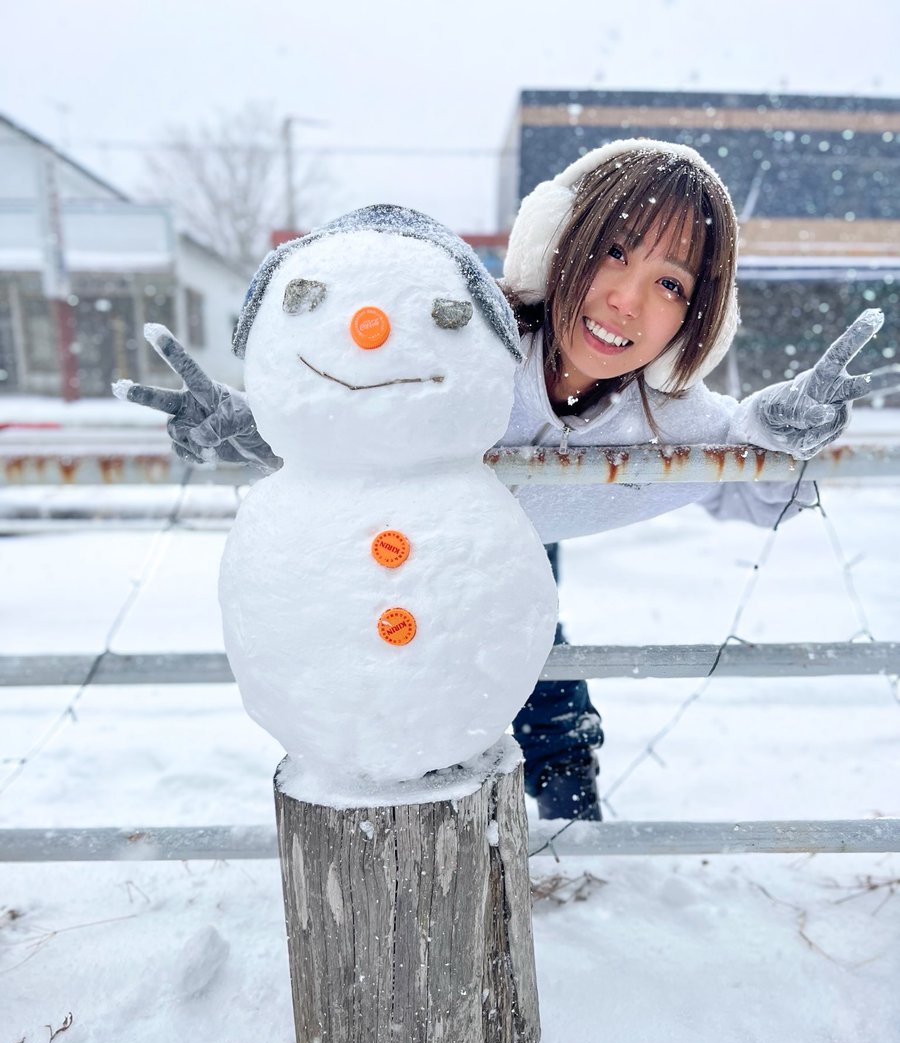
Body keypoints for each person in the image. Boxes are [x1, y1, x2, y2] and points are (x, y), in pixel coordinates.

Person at [115, 138, 894, 822]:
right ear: (557, 242)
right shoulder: (470, 351)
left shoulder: (670, 420)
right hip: (417, 542)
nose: (626, 297)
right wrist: (249, 429)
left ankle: (570, 838)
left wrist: (780, 434)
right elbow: (356, 417)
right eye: (615, 252)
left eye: (671, 284)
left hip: (512, 545)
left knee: (545, 686)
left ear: (698, 317)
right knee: (397, 675)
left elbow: (753, 480)